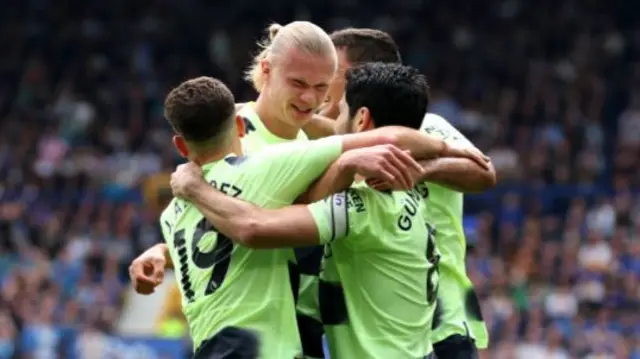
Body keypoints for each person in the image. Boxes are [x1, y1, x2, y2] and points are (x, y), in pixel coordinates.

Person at [138, 74, 486, 358]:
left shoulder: (363, 206)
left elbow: (254, 225)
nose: (330, 117)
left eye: (338, 107)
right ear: (240, 130)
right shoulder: (402, 200)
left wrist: (193, 192)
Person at [303, 27, 493, 358]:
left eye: (330, 69)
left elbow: (483, 172)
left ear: (355, 76)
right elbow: (302, 123)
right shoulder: (342, 135)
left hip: (438, 323)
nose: (320, 79)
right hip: (372, 328)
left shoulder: (422, 126)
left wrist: (423, 168)